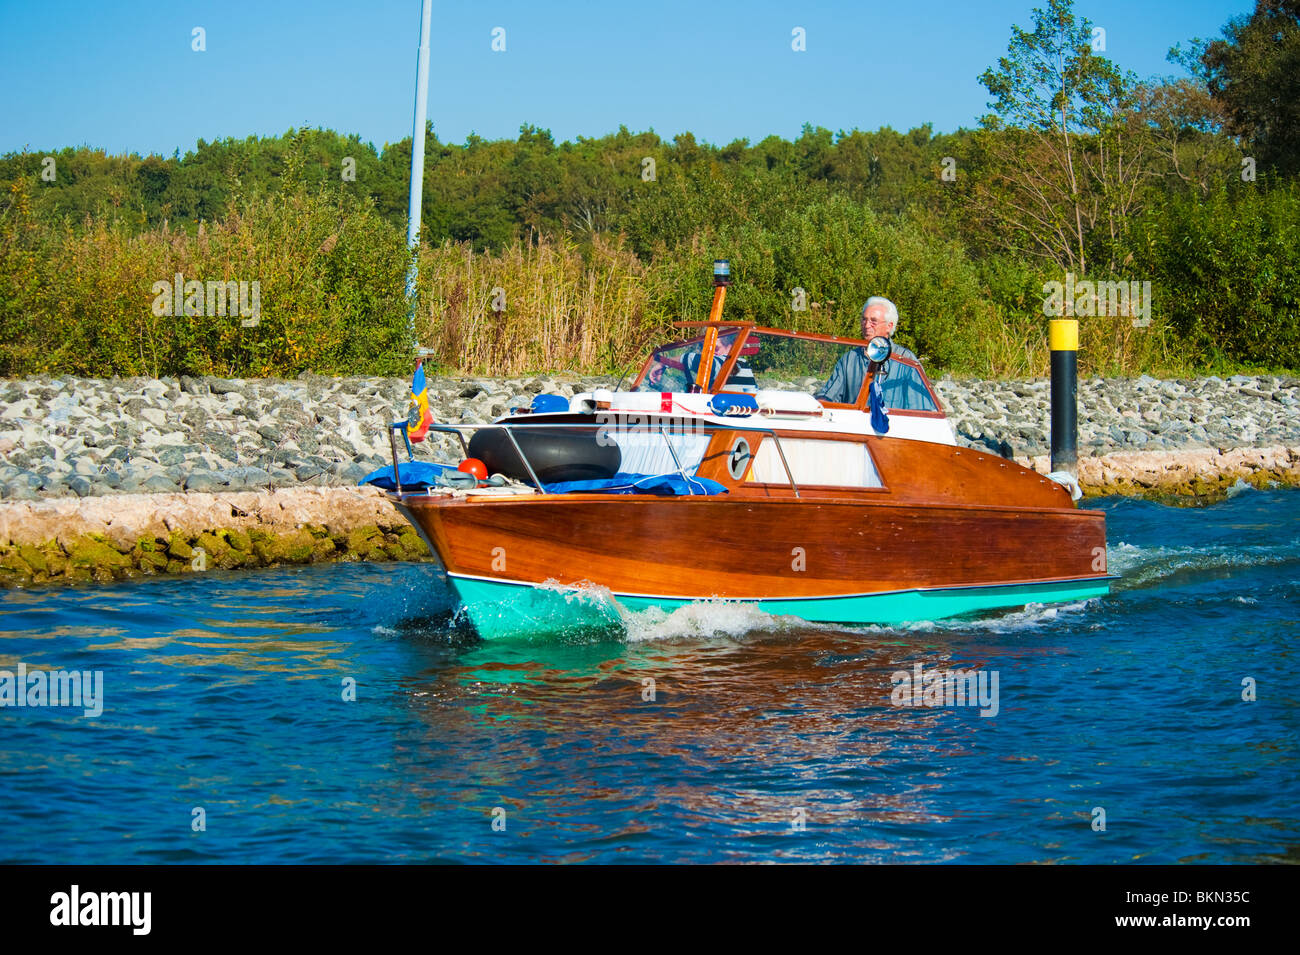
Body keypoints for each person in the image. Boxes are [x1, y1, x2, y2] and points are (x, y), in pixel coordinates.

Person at [815, 297, 929, 409]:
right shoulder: (850, 359)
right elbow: (828, 396)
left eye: (873, 321)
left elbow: (920, 409)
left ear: (889, 326)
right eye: (864, 319)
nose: (866, 325)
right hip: (855, 424)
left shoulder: (906, 360)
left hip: (894, 425)